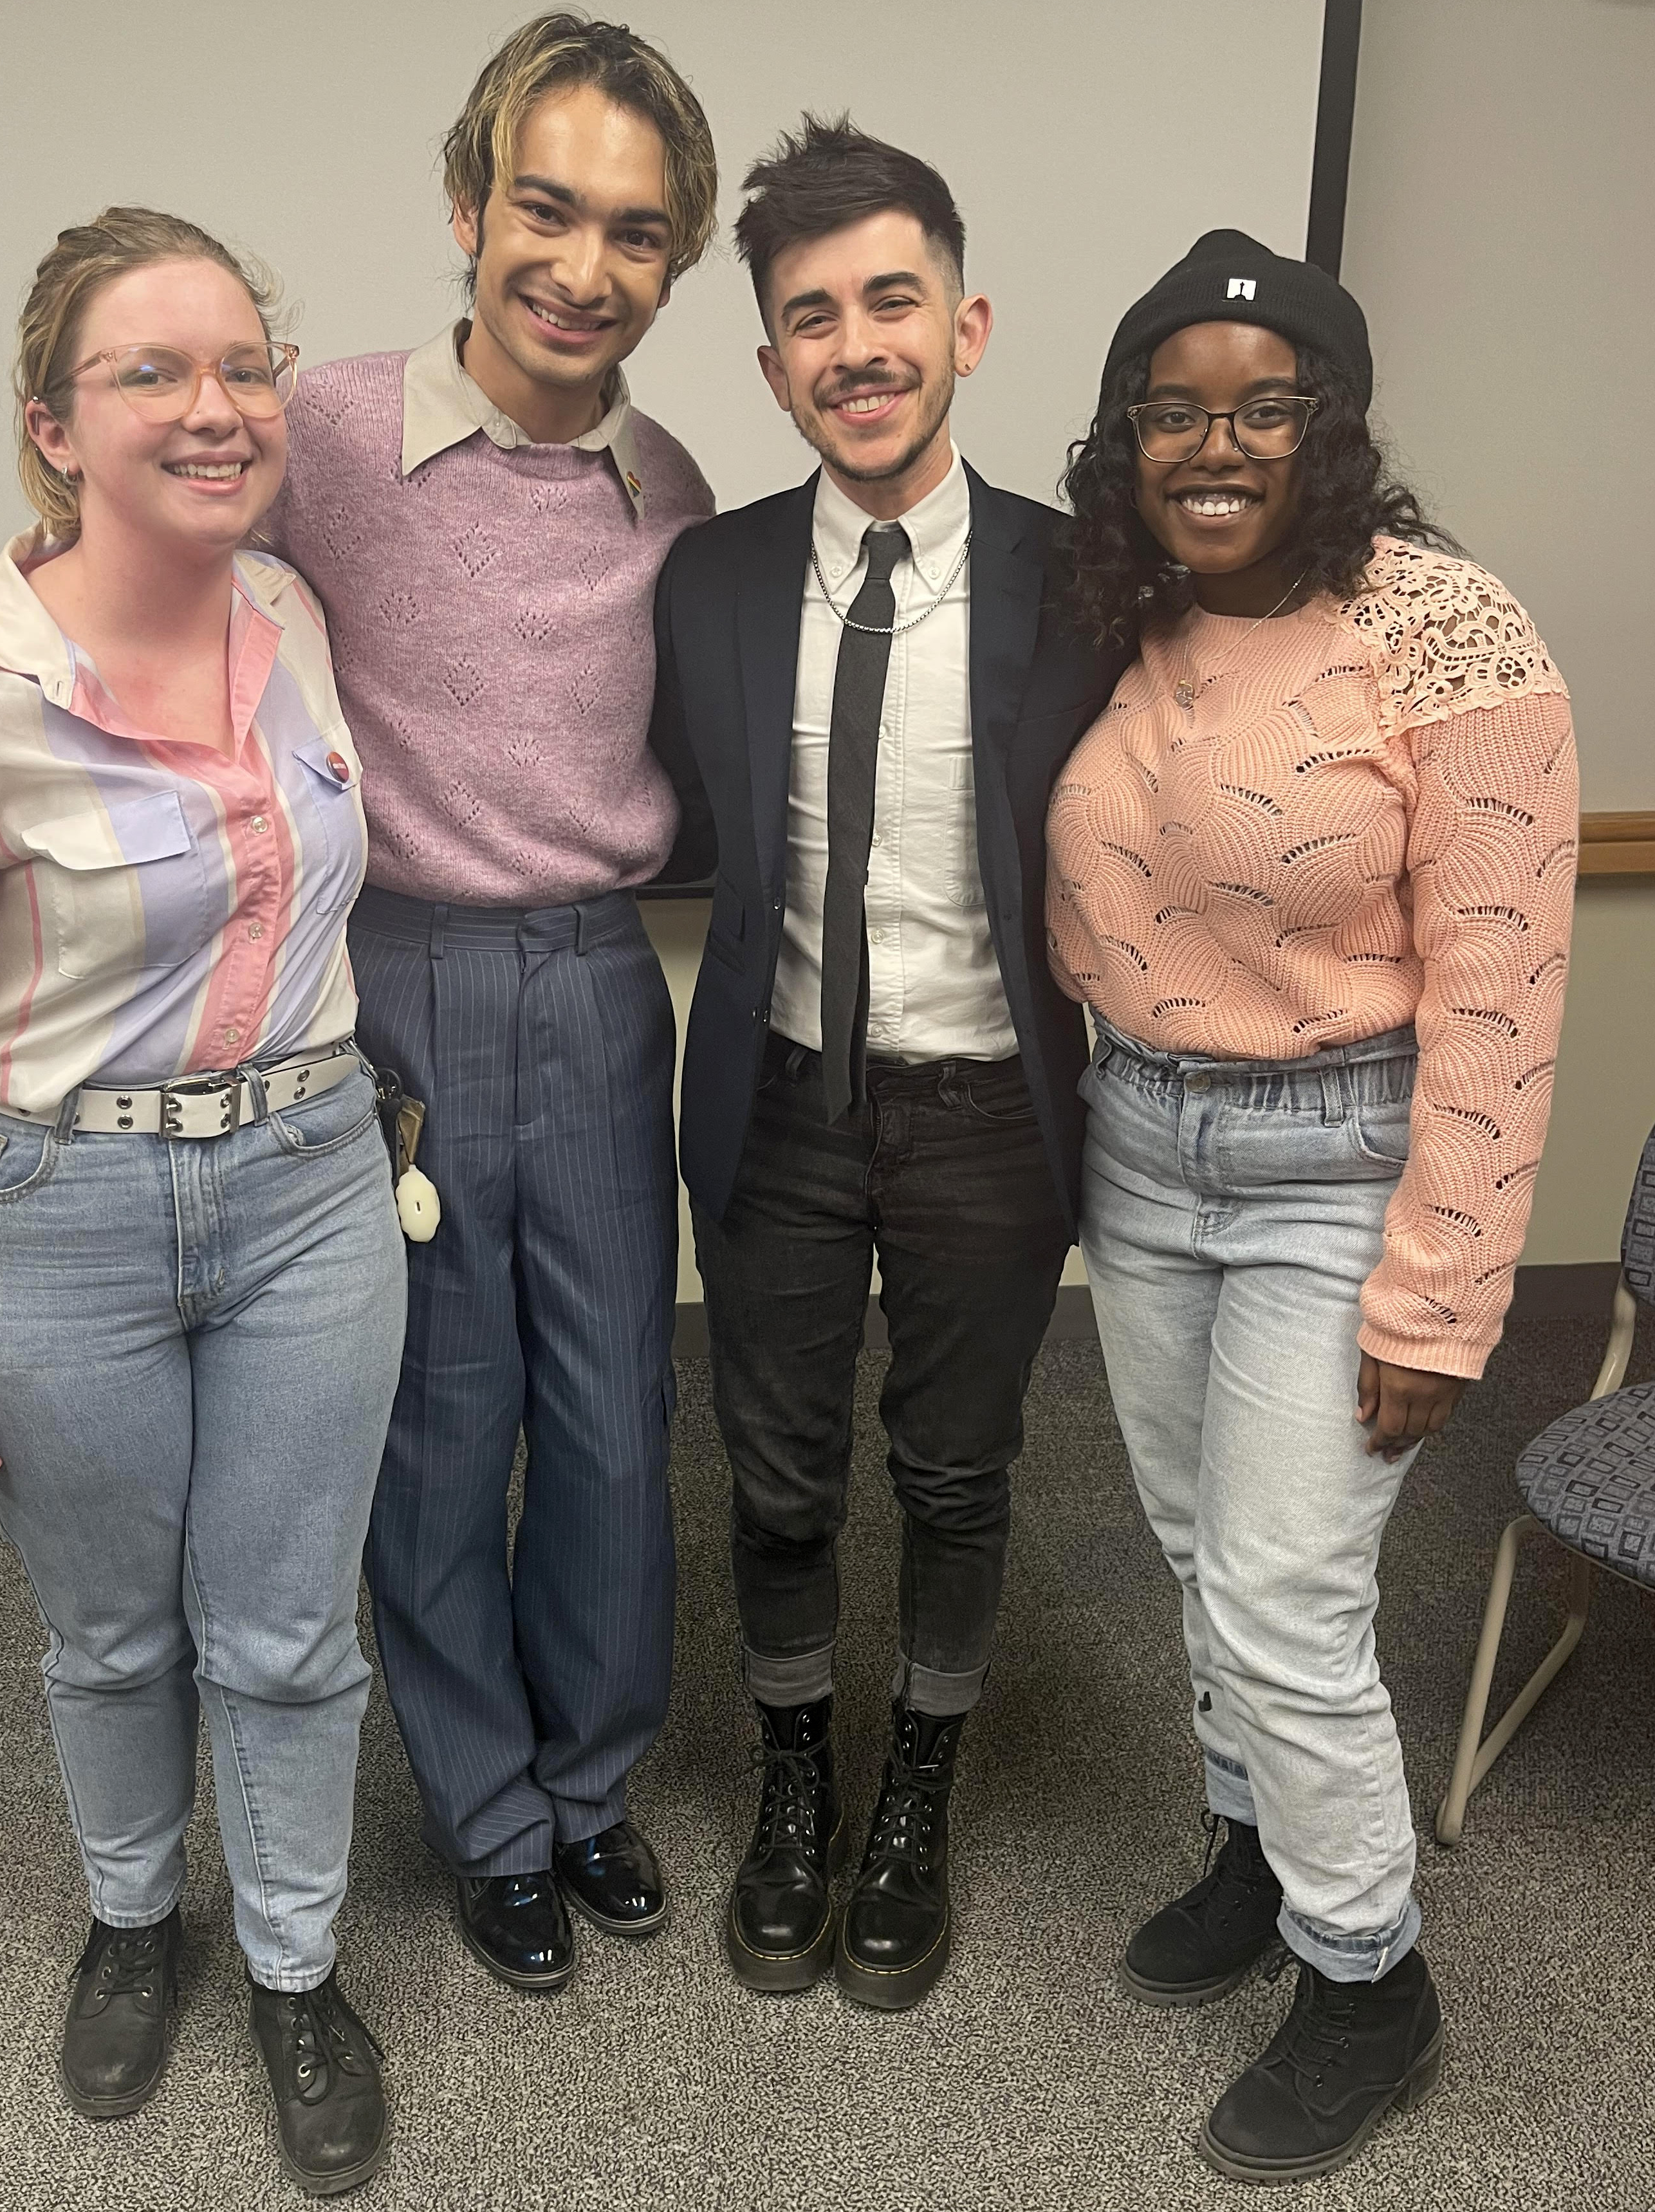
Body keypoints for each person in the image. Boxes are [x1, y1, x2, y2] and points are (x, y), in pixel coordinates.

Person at [0, 14, 719, 1996]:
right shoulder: (326, 440)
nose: (580, 264)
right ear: (466, 208)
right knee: (442, 1420)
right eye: (543, 207)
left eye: (636, 233)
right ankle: (487, 1816)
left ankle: (591, 1772)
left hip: (602, 981)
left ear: (676, 264)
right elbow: (82, 574)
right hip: (395, 990)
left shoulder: (672, 473)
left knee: (624, 1411)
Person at [0, 207, 405, 2197]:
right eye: (153, 371)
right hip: (52, 1213)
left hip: (314, 1179)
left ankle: (298, 1964)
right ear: (56, 425)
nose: (214, 406)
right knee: (115, 1634)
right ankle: (140, 1921)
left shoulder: (298, 614)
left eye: (242, 365)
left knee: (293, 1629)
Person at [1048, 230, 1576, 2184]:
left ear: (1331, 426)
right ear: (1127, 442)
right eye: (1173, 410)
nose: (1218, 443)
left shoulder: (1445, 627)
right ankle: (1258, 1845)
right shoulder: (1114, 606)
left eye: (1265, 406)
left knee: (1286, 1589)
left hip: (1340, 1161)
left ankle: (1369, 1978)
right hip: (1145, 1142)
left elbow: (1508, 986)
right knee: (1207, 1550)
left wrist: (1441, 1298)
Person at [649, 117, 1122, 2011]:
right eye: (810, 316)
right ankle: (792, 1775)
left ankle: (917, 1784)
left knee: (956, 1473)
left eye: (891, 302)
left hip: (989, 1104)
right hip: (773, 1092)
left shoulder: (1087, 578)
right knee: (770, 1479)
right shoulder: (709, 576)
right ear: (771, 364)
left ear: (969, 324)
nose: (856, 345)